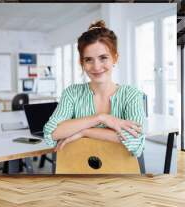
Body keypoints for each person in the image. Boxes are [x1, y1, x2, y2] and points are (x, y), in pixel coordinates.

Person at [43, 20, 146, 161]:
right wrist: (101, 118)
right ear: (82, 63)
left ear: (115, 58)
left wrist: (85, 132)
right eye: (89, 60)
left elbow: (135, 139)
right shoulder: (72, 93)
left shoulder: (131, 94)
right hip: (78, 168)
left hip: (118, 172)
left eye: (103, 58)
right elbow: (52, 132)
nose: (96, 67)